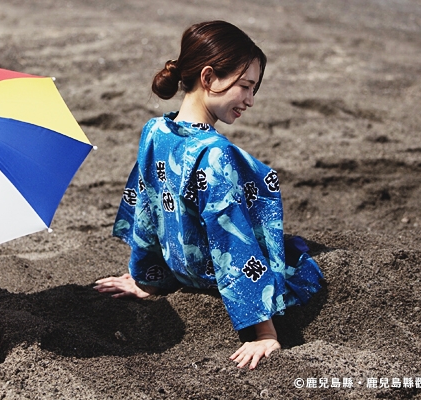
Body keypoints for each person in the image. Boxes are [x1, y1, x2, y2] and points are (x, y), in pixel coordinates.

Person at [94, 20, 323, 370]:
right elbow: (232, 240)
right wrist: (263, 333)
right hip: (211, 276)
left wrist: (147, 280)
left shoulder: (154, 131)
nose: (249, 100)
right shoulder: (215, 154)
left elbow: (146, 209)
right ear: (208, 78)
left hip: (178, 269)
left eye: (254, 90)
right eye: (245, 86)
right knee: (304, 270)